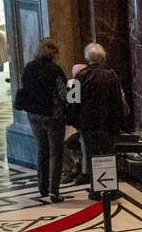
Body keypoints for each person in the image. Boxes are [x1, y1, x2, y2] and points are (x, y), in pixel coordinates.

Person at [69, 43, 128, 185]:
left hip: (88, 125)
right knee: (108, 155)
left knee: (91, 156)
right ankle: (110, 188)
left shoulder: (80, 76)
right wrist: (119, 123)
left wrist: (76, 122)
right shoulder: (112, 75)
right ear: (103, 58)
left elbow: (72, 102)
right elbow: (117, 101)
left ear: (87, 58)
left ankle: (95, 189)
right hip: (108, 124)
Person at [17, 38, 68, 201]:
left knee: (42, 149)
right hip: (53, 116)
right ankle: (54, 191)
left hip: (33, 115)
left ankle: (42, 187)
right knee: (56, 153)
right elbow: (64, 95)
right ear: (54, 53)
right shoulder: (55, 70)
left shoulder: (29, 67)